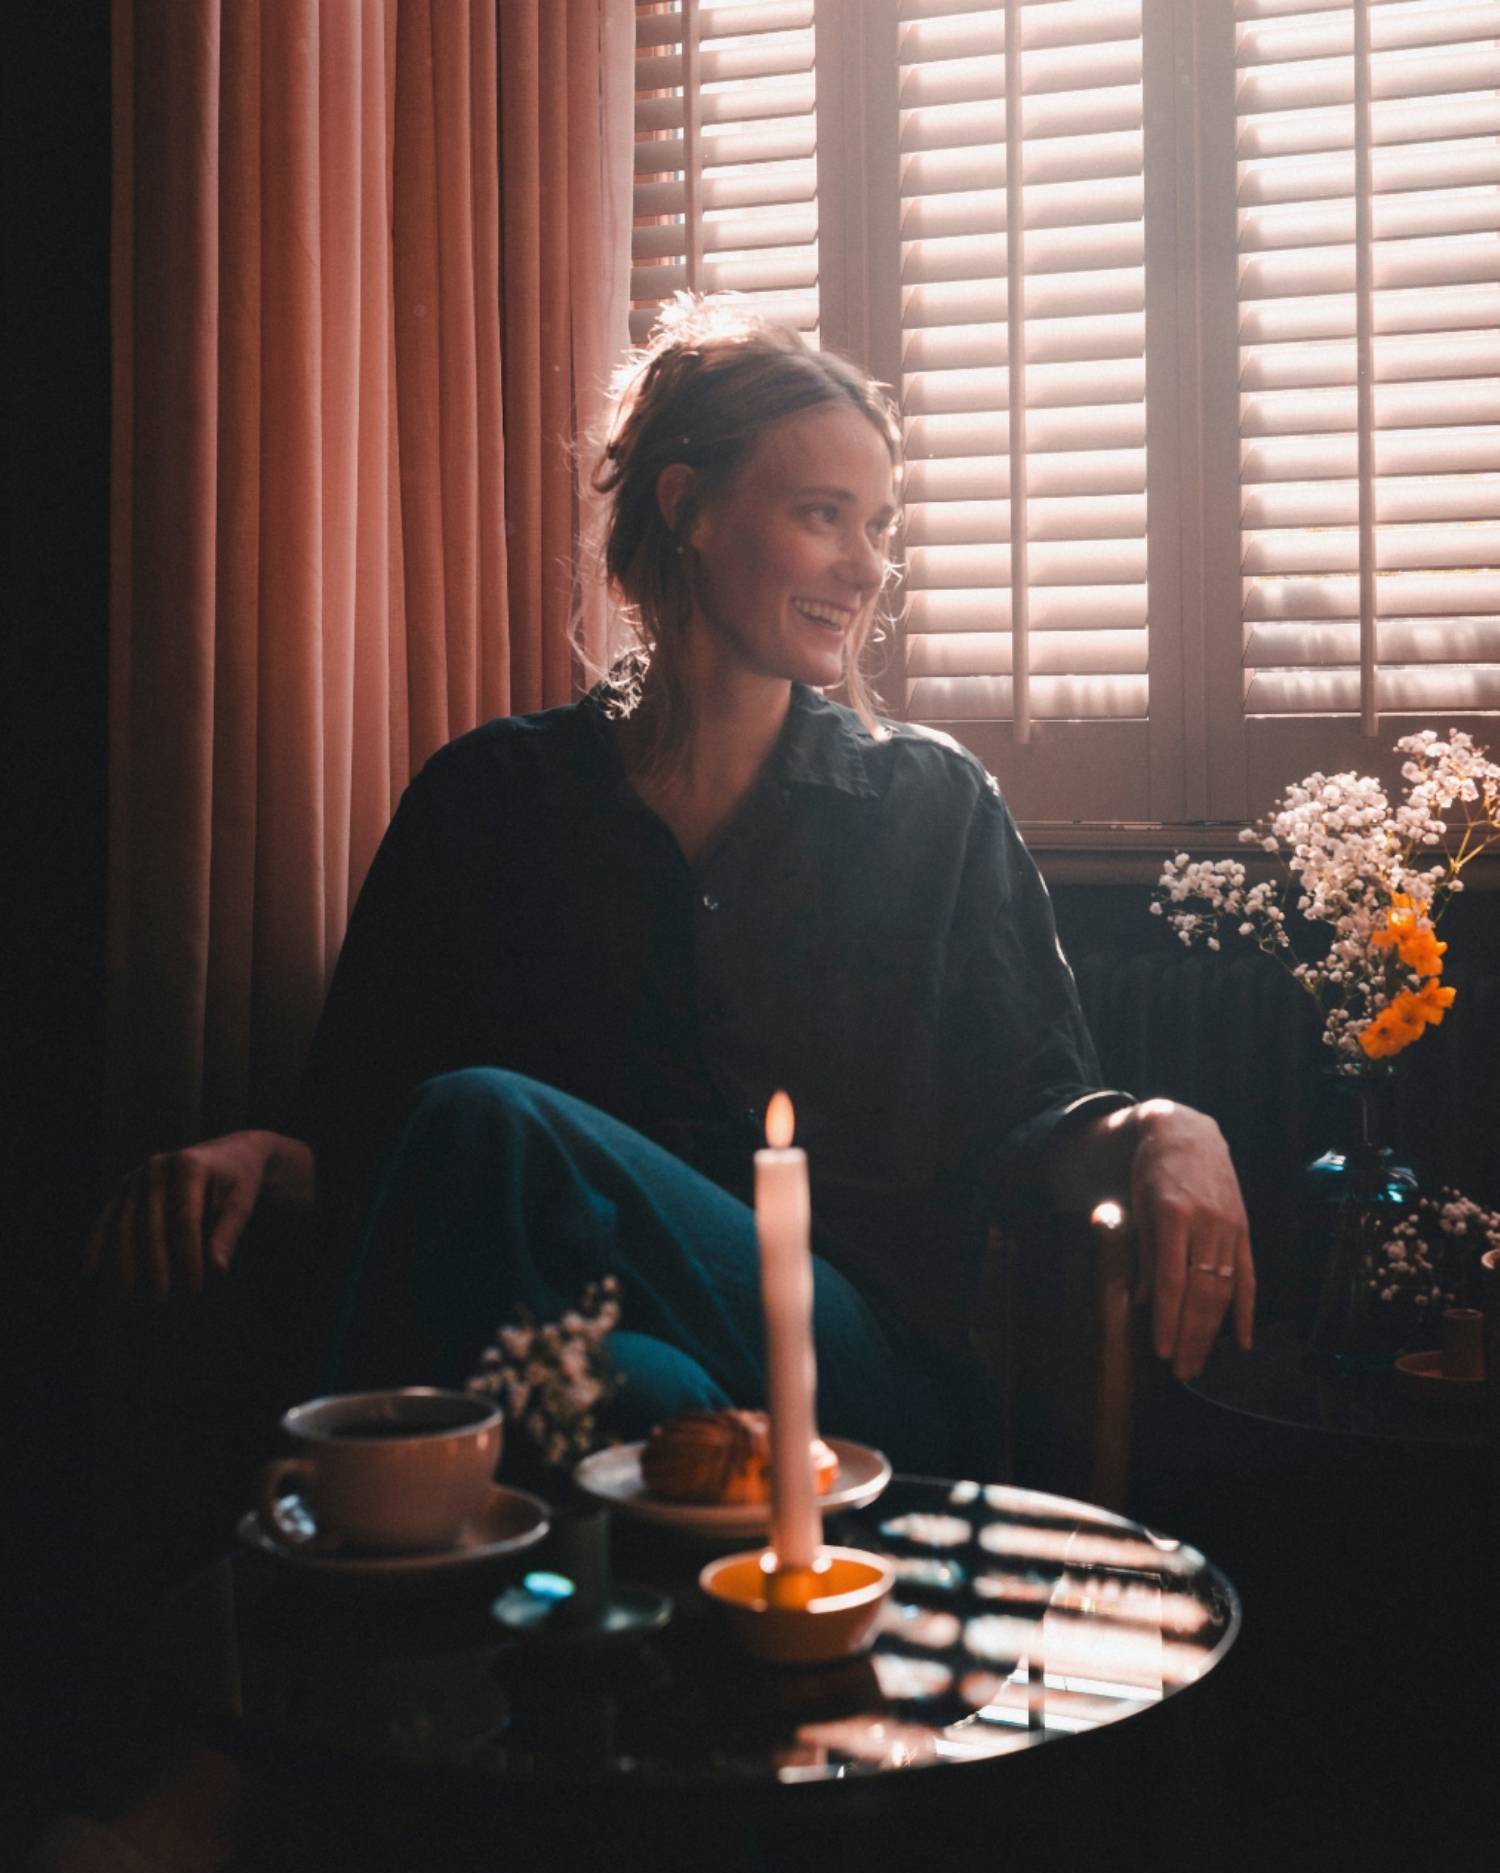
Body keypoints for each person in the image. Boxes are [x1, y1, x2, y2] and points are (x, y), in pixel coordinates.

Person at [88, 294, 1253, 1475]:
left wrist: (1166, 1124)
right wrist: (254, 1157)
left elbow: (1030, 1111)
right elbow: (382, 1145)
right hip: (597, 1356)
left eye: (878, 526)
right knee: (634, 1388)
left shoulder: (930, 809)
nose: (868, 569)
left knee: (493, 1115)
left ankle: (314, 1541)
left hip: (851, 1369)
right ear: (686, 506)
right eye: (822, 517)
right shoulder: (486, 800)